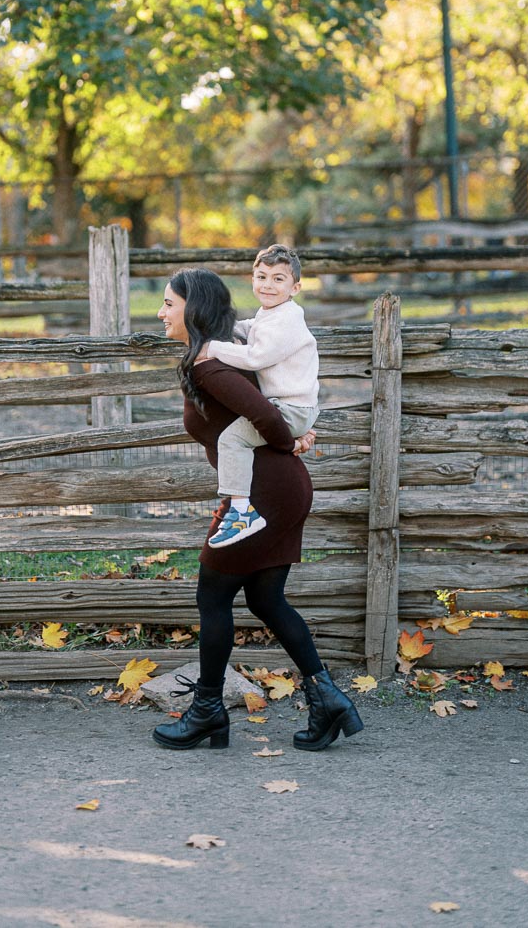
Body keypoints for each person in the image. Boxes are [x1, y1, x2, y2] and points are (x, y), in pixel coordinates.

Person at [151, 268, 363, 753]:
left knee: (213, 594)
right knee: (266, 601)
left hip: (267, 496)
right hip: (276, 490)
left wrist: (291, 440)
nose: (161, 313)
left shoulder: (211, 365)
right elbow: (269, 407)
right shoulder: (212, 358)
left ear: (194, 308)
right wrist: (293, 439)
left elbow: (268, 416)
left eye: (169, 303)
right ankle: (327, 700)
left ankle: (207, 712)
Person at [204, 244, 319, 549]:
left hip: (290, 408)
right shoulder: (272, 313)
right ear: (252, 278)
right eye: (261, 276)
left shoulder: (287, 319)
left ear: (295, 287)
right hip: (291, 406)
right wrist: (223, 329)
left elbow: (256, 357)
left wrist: (211, 348)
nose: (268, 285)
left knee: (232, 439)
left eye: (278, 279)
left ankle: (242, 512)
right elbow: (251, 329)